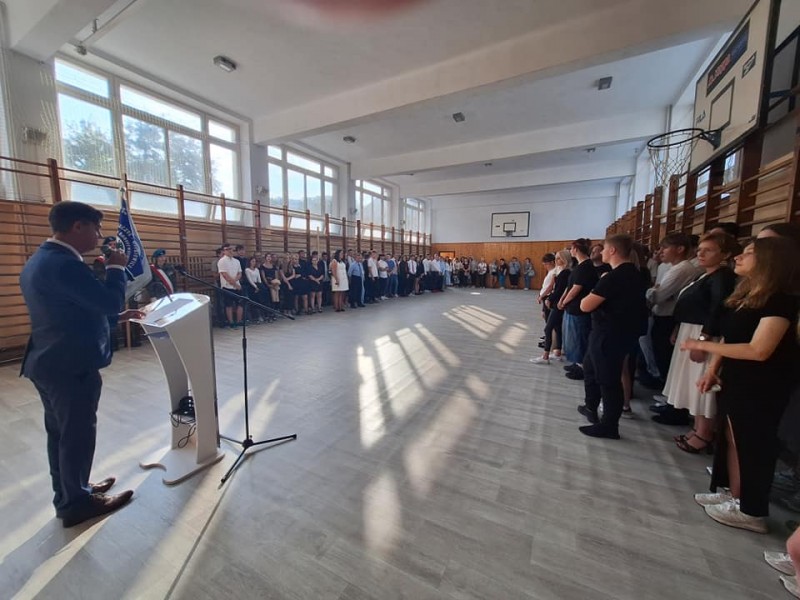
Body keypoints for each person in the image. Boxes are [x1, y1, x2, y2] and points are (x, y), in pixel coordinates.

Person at [19, 201, 139, 528]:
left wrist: (118, 316)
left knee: (61, 434)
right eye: (96, 228)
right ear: (77, 226)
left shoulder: (41, 259)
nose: (99, 236)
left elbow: (68, 310)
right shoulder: (64, 264)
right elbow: (108, 300)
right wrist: (116, 268)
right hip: (69, 365)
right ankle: (77, 504)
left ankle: (72, 491)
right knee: (76, 435)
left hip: (49, 361)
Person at [685, 237, 800, 533]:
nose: (738, 257)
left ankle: (752, 509)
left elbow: (759, 350)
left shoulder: (780, 300)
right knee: (732, 438)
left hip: (761, 384)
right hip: (736, 377)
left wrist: (705, 347)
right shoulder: (749, 295)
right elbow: (731, 337)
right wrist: (713, 368)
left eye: (749, 253)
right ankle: (734, 494)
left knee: (752, 444)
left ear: (770, 262)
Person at [663, 233, 738, 453]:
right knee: (690, 381)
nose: (701, 254)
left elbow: (717, 310)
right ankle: (697, 428)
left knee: (700, 382)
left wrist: (703, 339)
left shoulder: (722, 278)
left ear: (725, 254)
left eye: (709, 250)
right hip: (691, 329)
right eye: (700, 249)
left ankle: (704, 433)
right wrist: (678, 328)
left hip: (704, 334)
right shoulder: (706, 275)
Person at [576, 234, 648, 439]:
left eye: (604, 249)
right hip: (621, 331)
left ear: (613, 250)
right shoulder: (636, 273)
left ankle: (609, 425)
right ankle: (591, 406)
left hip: (609, 333)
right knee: (591, 368)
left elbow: (585, 305)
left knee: (608, 379)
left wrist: (598, 286)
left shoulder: (614, 277)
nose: (602, 253)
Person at [559, 238, 598, 380]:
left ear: (576, 249)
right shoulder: (579, 266)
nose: (570, 251)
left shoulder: (586, 266)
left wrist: (564, 301)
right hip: (572, 307)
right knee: (573, 339)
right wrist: (563, 299)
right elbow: (570, 286)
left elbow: (576, 289)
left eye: (571, 248)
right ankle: (576, 363)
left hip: (579, 309)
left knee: (579, 338)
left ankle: (582, 367)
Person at [531, 250, 571, 365]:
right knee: (557, 327)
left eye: (559, 258)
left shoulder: (565, 272)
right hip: (555, 302)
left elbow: (559, 290)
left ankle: (545, 356)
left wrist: (549, 298)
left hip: (558, 304)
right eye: (556, 258)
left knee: (548, 328)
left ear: (565, 259)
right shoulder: (560, 271)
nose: (557, 261)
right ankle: (557, 352)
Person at [218, 244, 244, 328]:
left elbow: (240, 273)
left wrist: (236, 282)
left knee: (241, 303)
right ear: (224, 251)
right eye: (227, 249)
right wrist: (234, 284)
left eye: (231, 249)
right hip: (227, 286)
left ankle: (239, 321)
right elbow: (224, 275)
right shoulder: (222, 261)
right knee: (228, 305)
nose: (230, 251)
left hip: (237, 285)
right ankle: (231, 322)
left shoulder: (237, 261)